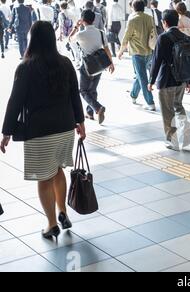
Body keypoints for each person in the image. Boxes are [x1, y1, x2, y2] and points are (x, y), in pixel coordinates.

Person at [1, 21, 86, 240]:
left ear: (32, 39)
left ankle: (51, 225)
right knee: (58, 171)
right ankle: (63, 212)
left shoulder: (26, 66)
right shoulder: (65, 63)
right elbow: (75, 95)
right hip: (65, 128)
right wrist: (80, 122)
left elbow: (15, 101)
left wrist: (7, 132)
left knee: (44, 178)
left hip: (40, 132)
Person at [149, 9, 190, 151]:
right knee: (178, 106)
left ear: (164, 22)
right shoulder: (185, 36)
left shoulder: (163, 38)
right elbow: (189, 60)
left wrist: (151, 81)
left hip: (166, 80)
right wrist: (189, 81)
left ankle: (172, 139)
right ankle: (186, 132)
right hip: (181, 80)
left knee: (168, 111)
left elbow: (156, 61)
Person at [69, 9, 114, 124]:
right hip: (99, 65)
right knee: (92, 90)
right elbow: (106, 48)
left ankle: (98, 108)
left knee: (83, 90)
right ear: (94, 20)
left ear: (83, 20)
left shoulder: (81, 34)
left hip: (87, 66)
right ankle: (90, 112)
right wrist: (111, 63)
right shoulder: (100, 32)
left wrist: (76, 26)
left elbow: (69, 39)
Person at [118, 0, 156, 110]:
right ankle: (133, 95)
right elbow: (153, 34)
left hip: (137, 53)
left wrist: (120, 51)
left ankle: (150, 102)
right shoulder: (149, 18)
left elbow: (126, 37)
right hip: (148, 51)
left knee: (143, 77)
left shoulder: (132, 19)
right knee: (141, 75)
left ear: (133, 8)